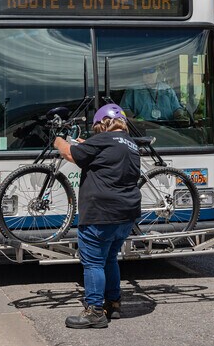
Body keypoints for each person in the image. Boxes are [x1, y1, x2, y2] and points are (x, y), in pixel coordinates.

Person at [53, 103, 141, 329]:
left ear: (103, 124)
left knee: (92, 262)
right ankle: (114, 303)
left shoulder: (102, 140)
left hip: (101, 213)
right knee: (110, 258)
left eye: (96, 128)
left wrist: (59, 140)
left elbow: (69, 153)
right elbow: (99, 153)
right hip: (126, 215)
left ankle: (94, 311)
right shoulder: (130, 144)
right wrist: (86, 145)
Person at [120, 65, 188, 121]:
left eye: (151, 71)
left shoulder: (167, 90)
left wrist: (180, 115)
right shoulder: (133, 89)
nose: (148, 75)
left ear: (157, 72)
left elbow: (177, 109)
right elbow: (124, 110)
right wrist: (135, 121)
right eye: (145, 72)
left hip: (168, 129)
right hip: (141, 129)